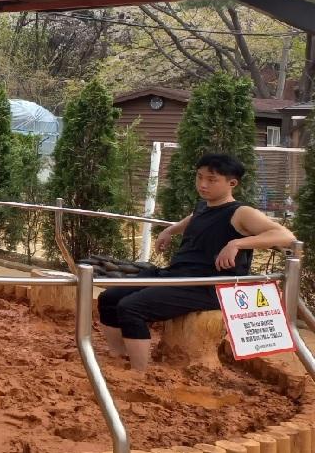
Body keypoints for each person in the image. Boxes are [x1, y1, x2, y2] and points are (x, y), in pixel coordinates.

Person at [98, 153, 295, 371]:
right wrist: (170, 230)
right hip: (177, 275)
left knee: (131, 307)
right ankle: (118, 357)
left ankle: (138, 373)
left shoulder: (241, 212)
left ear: (232, 183)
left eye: (211, 180)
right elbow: (193, 219)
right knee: (109, 298)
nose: (203, 184)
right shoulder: (204, 206)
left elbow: (286, 236)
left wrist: (238, 243)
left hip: (208, 285)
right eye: (199, 177)